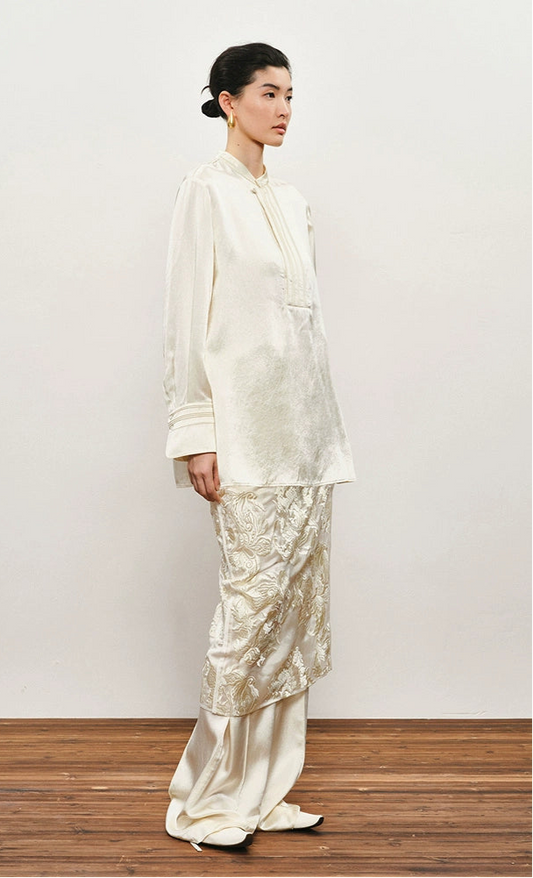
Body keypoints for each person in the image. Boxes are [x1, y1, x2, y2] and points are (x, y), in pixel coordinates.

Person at [162, 42, 356, 850]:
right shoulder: (204, 192)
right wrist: (195, 431)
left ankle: (264, 789)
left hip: (306, 439)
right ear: (226, 100)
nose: (282, 109)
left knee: (292, 622)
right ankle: (206, 801)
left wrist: (323, 433)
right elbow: (186, 320)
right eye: (267, 93)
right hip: (243, 438)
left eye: (289, 95)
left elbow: (302, 330)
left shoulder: (292, 200)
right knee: (248, 617)